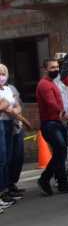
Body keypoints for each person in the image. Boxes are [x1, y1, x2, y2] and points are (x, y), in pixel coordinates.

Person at [35, 59, 68, 196]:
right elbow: (51, 103)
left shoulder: (52, 83)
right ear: (45, 69)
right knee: (60, 150)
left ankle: (62, 183)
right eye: (52, 67)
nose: (56, 69)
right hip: (50, 124)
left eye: (57, 67)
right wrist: (65, 114)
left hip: (58, 123)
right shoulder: (44, 85)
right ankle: (45, 179)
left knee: (61, 152)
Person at [0, 63, 19, 207]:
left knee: (8, 158)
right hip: (2, 122)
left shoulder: (8, 88)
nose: (2, 77)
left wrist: (10, 106)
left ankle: (7, 188)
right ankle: (2, 191)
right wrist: (7, 104)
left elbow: (16, 105)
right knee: (2, 159)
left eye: (3, 73)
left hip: (10, 124)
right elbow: (4, 107)